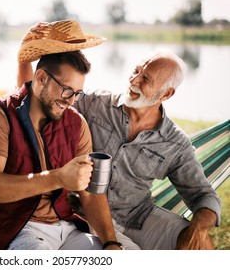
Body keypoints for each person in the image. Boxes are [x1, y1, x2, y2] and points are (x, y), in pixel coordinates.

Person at [17, 22, 222, 250]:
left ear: (167, 93)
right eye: (136, 71)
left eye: (146, 80)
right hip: (88, 212)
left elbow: (203, 195)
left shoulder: (174, 142)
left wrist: (199, 228)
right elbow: (35, 100)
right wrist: (25, 58)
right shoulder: (95, 104)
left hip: (139, 216)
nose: (134, 81)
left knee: (201, 246)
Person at [0, 20, 123, 250]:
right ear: (41, 78)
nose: (71, 101)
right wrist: (58, 177)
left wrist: (110, 243)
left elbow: (91, 194)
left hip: (68, 227)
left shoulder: (76, 123)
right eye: (67, 90)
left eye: (77, 93)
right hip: (17, 228)